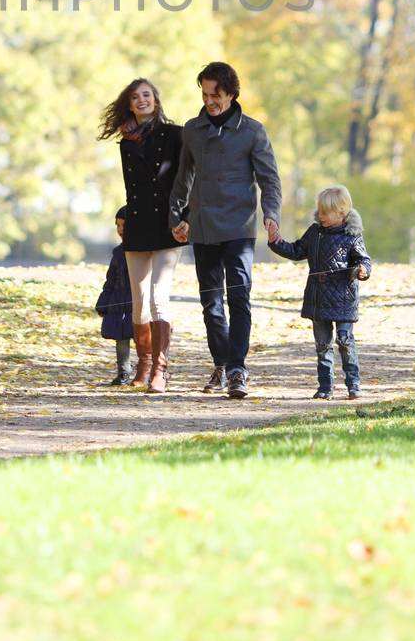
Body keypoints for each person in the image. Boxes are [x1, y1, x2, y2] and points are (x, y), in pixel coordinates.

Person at [169, 61, 281, 400]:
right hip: (202, 229)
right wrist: (176, 216)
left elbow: (269, 179)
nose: (209, 101)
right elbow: (184, 177)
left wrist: (271, 215)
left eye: (215, 95)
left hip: (239, 228)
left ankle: (237, 369)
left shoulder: (252, 131)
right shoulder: (192, 129)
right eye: (204, 94)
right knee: (211, 303)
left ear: (231, 94)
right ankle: (221, 363)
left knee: (239, 298)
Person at [98, 77, 185, 393]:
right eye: (135, 97)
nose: (141, 100)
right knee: (139, 303)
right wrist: (125, 215)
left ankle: (161, 369)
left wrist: (185, 217)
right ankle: (144, 364)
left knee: (159, 296)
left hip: (169, 226)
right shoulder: (126, 141)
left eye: (146, 95)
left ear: (156, 101)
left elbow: (186, 179)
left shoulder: (175, 135)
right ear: (129, 103)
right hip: (137, 225)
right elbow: (132, 189)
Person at [268, 184, 371, 399]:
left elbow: (363, 260)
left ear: (341, 213)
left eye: (325, 213)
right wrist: (276, 241)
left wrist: (363, 270)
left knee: (344, 340)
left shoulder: (352, 236)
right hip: (318, 299)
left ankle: (354, 384)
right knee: (323, 345)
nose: (320, 216)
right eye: (319, 211)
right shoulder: (315, 233)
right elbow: (296, 250)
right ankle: (325, 387)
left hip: (343, 298)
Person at [94, 207, 134, 385]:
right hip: (119, 301)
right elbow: (110, 280)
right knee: (121, 338)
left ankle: (145, 371)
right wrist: (104, 302)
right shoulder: (118, 252)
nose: (120, 229)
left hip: (137, 301)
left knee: (142, 337)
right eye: (117, 225)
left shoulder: (143, 251)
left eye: (124, 225)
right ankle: (123, 372)